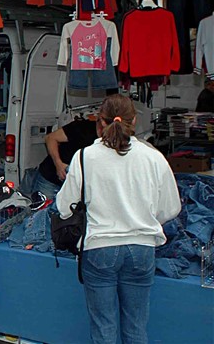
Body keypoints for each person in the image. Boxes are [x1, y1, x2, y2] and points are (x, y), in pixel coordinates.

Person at [56, 95, 181, 344]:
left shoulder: (84, 157)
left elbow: (63, 208)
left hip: (99, 248)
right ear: (134, 120)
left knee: (104, 329)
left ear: (99, 123)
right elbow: (172, 207)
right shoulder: (154, 157)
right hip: (142, 247)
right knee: (136, 328)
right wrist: (144, 217)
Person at [32, 117, 98, 199]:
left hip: (74, 187)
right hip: (50, 178)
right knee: (41, 208)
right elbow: (50, 138)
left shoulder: (110, 141)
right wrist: (58, 164)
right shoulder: (82, 127)